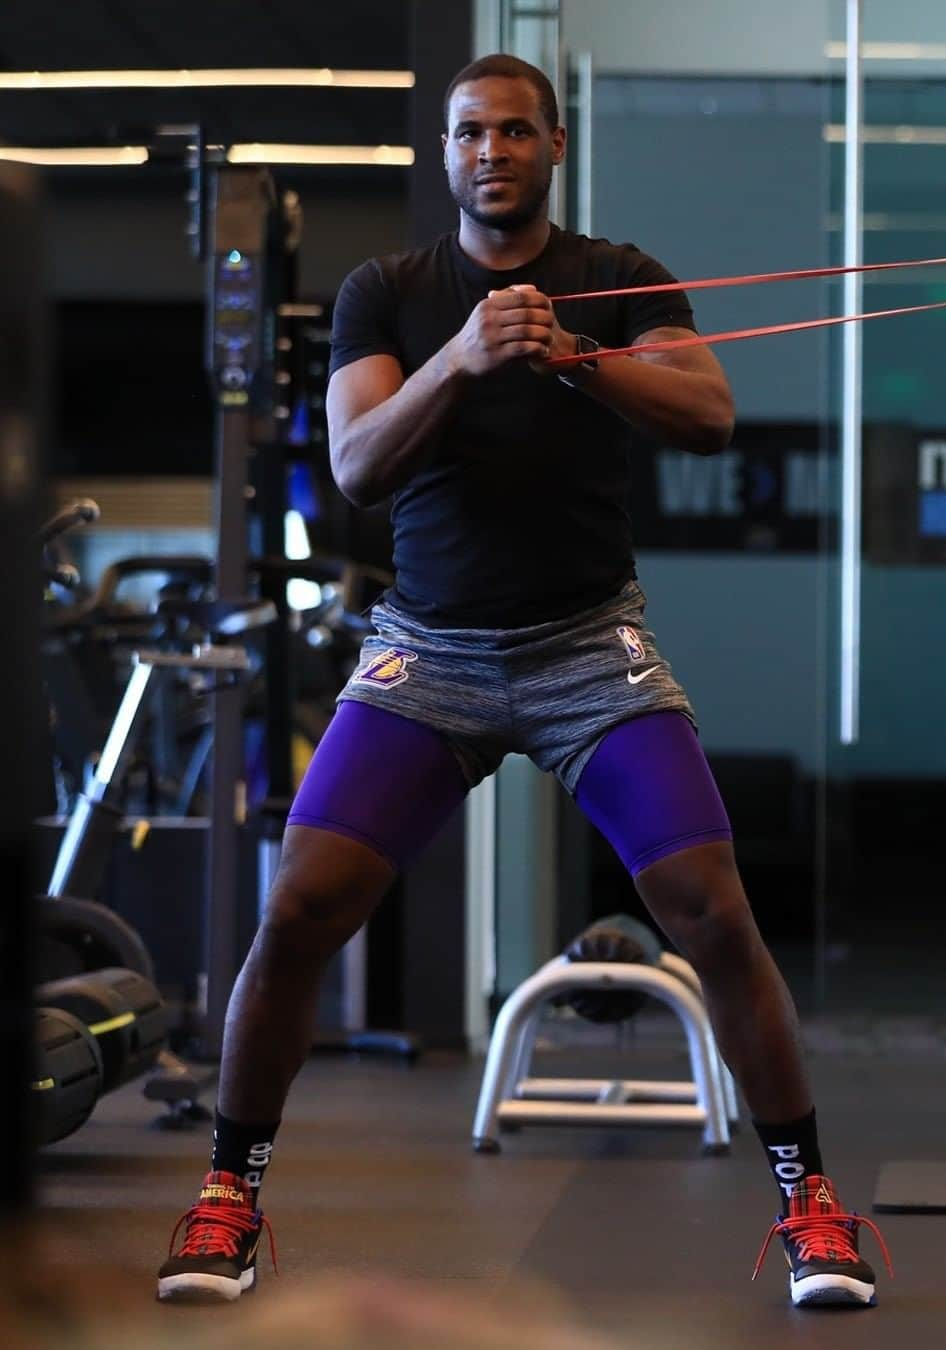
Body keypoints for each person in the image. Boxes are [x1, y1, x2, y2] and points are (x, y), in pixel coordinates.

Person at [158, 52, 890, 1310]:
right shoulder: (388, 293)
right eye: (465, 135)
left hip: (584, 651)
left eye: (511, 132)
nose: (488, 152)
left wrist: (574, 355)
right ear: (445, 156)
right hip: (425, 654)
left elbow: (710, 414)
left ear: (553, 145)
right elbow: (355, 463)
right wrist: (463, 357)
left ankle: (811, 1206)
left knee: (711, 908)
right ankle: (228, 1195)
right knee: (298, 910)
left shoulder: (619, 279)